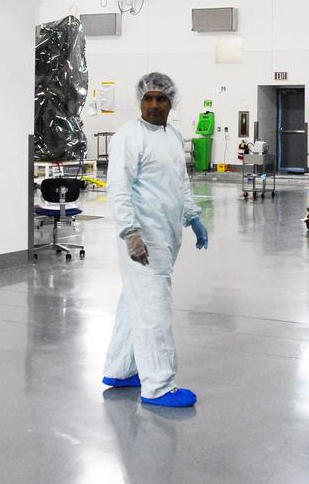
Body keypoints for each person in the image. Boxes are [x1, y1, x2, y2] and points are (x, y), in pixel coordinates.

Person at [102, 72, 210, 408]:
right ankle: (159, 385)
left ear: (171, 102)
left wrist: (192, 216)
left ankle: (120, 370)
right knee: (153, 309)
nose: (153, 105)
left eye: (160, 99)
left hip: (167, 235)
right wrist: (130, 233)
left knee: (133, 302)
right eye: (148, 99)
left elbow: (180, 182)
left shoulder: (172, 136)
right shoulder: (128, 137)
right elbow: (118, 188)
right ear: (140, 101)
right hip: (143, 239)